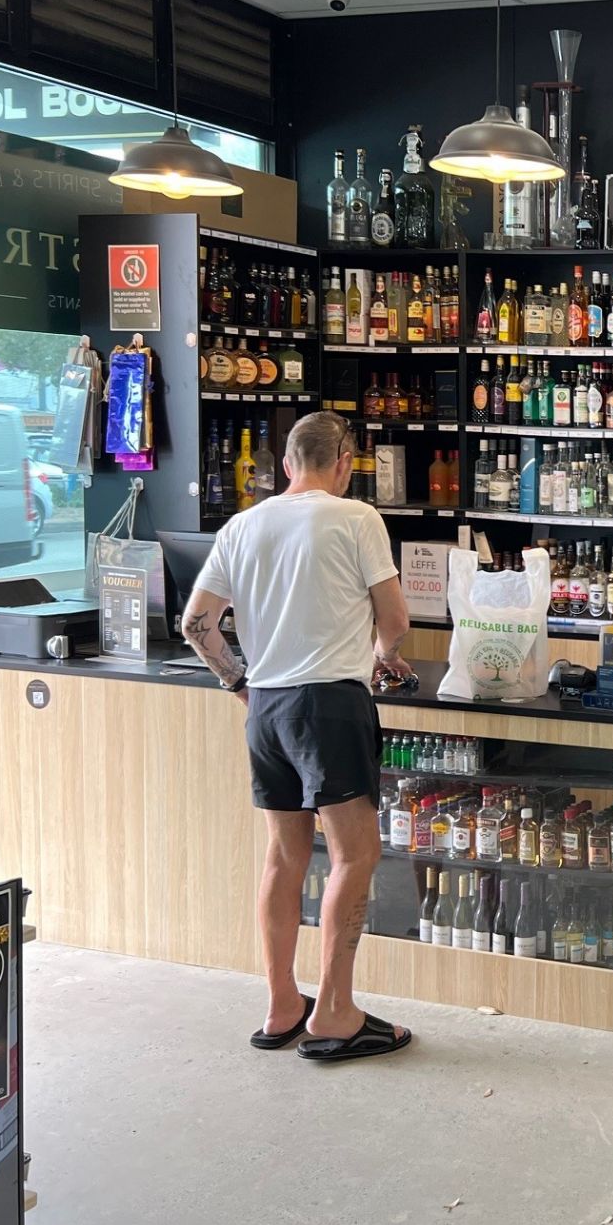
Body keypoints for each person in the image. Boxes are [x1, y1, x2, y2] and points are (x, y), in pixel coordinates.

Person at [181, 410, 416, 1063]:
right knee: (354, 856)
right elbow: (395, 620)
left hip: (267, 708)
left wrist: (239, 684)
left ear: (286, 464)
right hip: (330, 706)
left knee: (284, 857)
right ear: (343, 463)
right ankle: (335, 1011)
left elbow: (197, 625)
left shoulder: (241, 526)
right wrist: (383, 653)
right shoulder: (356, 517)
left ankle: (283, 1004)